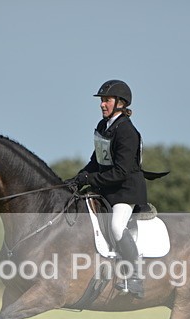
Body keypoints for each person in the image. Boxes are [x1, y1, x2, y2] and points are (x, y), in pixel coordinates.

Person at [66, 79, 147, 298]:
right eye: (102, 100)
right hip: (107, 187)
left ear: (120, 103)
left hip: (125, 190)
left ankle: (135, 277)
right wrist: (77, 177)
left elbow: (121, 172)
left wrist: (90, 179)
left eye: (107, 100)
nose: (102, 104)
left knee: (116, 226)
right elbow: (97, 160)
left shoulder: (127, 132)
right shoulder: (104, 126)